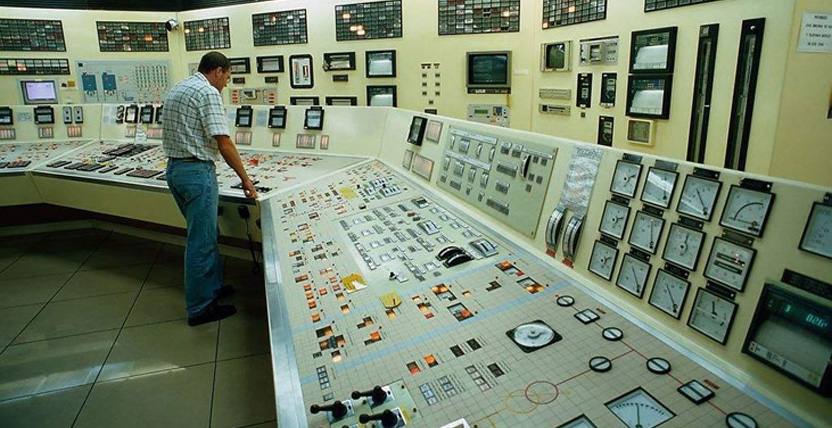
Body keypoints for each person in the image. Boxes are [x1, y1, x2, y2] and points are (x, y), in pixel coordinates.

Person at [162, 51, 259, 326]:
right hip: (196, 172)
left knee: (206, 234)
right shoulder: (208, 93)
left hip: (176, 170)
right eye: (227, 78)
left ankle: (212, 288)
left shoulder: (180, 87)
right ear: (217, 71)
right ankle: (200, 308)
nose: (226, 84)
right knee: (201, 242)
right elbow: (223, 142)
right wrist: (245, 179)